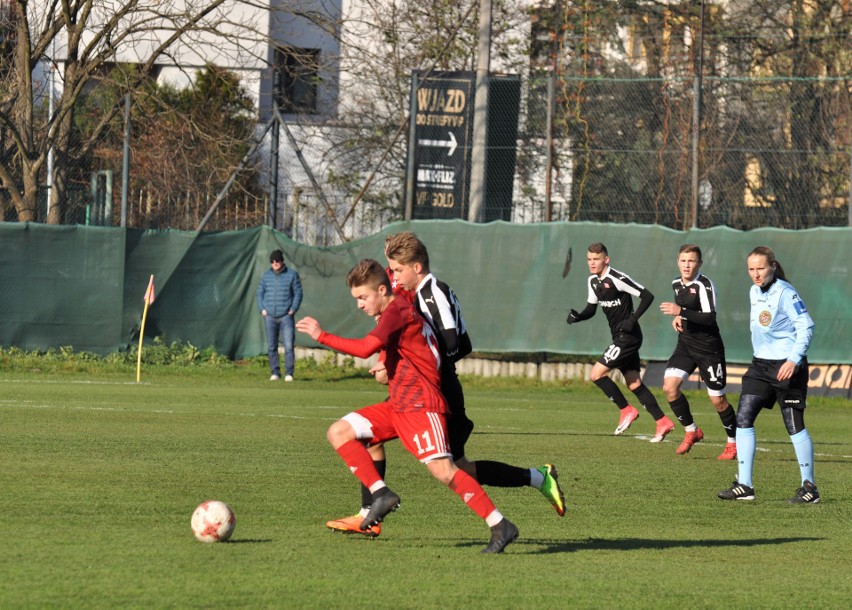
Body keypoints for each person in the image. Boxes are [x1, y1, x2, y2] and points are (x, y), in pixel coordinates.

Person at [325, 233, 565, 538]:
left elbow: (454, 343)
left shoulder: (432, 292)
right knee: (372, 438)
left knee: (455, 470)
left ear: (417, 266)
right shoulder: (411, 290)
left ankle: (533, 482)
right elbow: (384, 292)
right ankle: (367, 515)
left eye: (397, 270)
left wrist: (411, 364)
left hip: (439, 390)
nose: (393, 277)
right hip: (418, 387)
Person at [297, 259, 519, 553]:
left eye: (363, 297)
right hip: (398, 405)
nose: (359, 305)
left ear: (380, 290)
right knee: (339, 432)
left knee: (444, 471)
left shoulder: (396, 311)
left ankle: (500, 525)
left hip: (420, 406)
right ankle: (381, 494)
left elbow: (365, 347)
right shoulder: (398, 301)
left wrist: (320, 336)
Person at [718, 246, 818, 503]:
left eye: (760, 268)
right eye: (751, 269)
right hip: (760, 367)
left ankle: (809, 488)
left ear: (772, 266)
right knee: (743, 418)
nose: (755, 274)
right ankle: (745, 484)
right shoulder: (753, 291)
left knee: (794, 425)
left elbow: (806, 326)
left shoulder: (786, 292)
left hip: (787, 368)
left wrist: (793, 360)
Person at [566, 242, 675, 441]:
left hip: (629, 337)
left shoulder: (617, 278)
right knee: (634, 384)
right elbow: (592, 308)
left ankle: (626, 410)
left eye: (596, 259)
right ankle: (662, 422)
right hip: (619, 337)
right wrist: (579, 316)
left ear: (606, 259)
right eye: (589, 259)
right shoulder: (593, 281)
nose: (592, 263)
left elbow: (647, 296)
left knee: (596, 374)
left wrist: (632, 320)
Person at [659, 244, 738, 459]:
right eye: (683, 260)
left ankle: (733, 442)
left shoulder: (705, 285)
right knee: (669, 387)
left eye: (691, 261)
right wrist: (678, 318)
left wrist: (680, 311)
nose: (687, 265)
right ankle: (692, 430)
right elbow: (686, 312)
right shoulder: (676, 284)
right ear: (678, 262)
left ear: (699, 263)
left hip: (708, 348)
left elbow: (709, 317)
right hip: (685, 345)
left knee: (717, 401)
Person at [256, 249, 302, 381]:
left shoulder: (292, 275)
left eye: (277, 260)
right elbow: (259, 293)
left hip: (286, 316)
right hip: (269, 316)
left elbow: (298, 293)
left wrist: (293, 309)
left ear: (282, 261)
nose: (275, 263)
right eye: (272, 261)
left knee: (288, 346)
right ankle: (275, 372)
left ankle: (289, 373)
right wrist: (262, 309)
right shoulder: (265, 276)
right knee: (271, 346)